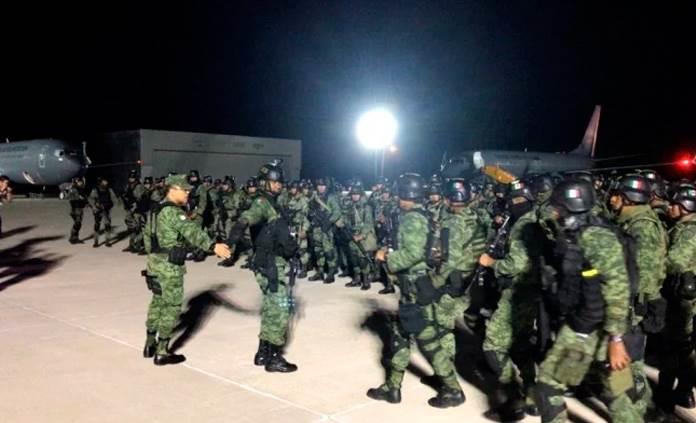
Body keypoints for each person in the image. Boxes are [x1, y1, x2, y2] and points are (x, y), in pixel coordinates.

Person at [534, 179, 640, 423]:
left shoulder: (597, 238)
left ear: (570, 208)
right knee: (614, 390)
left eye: (558, 207)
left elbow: (618, 287)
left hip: (590, 328)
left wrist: (616, 339)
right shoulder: (580, 233)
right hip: (592, 323)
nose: (554, 212)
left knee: (549, 386)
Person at [368, 173, 466, 408]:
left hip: (415, 290)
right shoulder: (426, 215)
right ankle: (393, 387)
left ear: (405, 194)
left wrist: (387, 257)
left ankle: (453, 390)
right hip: (419, 286)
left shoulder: (413, 218)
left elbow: (413, 254)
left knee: (429, 343)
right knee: (401, 337)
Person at [142, 174, 231, 365]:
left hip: (154, 265)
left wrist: (154, 258)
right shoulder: (174, 212)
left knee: (157, 302)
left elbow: (147, 238)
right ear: (173, 189)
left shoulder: (154, 210)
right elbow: (193, 232)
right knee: (171, 307)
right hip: (170, 268)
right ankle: (162, 351)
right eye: (185, 190)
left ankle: (149, 343)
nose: (189, 193)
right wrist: (213, 246)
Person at [226, 160, 300, 373]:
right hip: (271, 265)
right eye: (273, 182)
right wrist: (230, 243)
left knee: (269, 307)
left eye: (279, 183)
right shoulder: (261, 203)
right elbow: (245, 220)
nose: (278, 186)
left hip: (269, 262)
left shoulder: (271, 202)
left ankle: (262, 352)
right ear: (263, 183)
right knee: (280, 310)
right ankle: (274, 358)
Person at [607, 174, 668, 418]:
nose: (611, 200)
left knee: (623, 367)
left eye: (616, 196)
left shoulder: (641, 227)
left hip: (631, 308)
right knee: (631, 366)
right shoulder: (633, 222)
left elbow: (641, 274)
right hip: (632, 305)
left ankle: (631, 413)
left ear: (625, 199)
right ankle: (645, 409)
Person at [657, 184, 696, 411]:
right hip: (689, 299)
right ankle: (684, 392)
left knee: (674, 348)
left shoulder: (688, 232)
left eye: (674, 204)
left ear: (685, 207)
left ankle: (666, 395)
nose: (669, 207)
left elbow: (675, 262)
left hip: (683, 302)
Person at [89, 177, 118, 248]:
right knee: (97, 226)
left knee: (107, 225)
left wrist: (114, 204)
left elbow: (114, 198)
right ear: (100, 182)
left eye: (106, 181)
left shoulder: (109, 190)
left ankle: (107, 241)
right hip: (98, 210)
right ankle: (96, 241)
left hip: (107, 210)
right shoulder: (95, 190)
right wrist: (94, 206)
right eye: (104, 181)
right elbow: (91, 199)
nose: (106, 183)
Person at [67, 177, 89, 244]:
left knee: (78, 224)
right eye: (79, 182)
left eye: (81, 182)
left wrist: (86, 202)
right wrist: (79, 198)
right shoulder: (73, 189)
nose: (80, 183)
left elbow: (84, 198)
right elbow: (70, 198)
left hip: (80, 209)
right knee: (77, 223)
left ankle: (75, 238)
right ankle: (72, 237)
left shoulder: (81, 189)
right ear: (76, 182)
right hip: (75, 209)